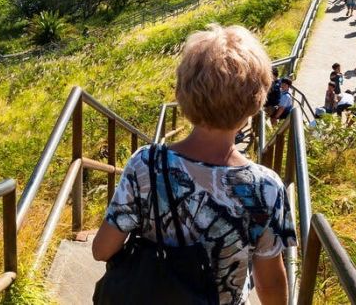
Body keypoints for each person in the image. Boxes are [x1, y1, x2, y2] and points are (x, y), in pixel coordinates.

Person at [93, 24, 294, 305]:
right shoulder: (267, 188)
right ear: (255, 103)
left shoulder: (146, 163)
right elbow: (270, 282)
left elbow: (102, 250)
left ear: (182, 93)